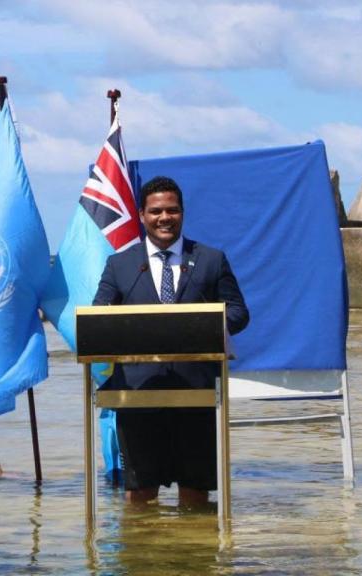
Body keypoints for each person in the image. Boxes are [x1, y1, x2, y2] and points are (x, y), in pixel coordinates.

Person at [93, 175, 249, 505]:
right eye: (156, 211)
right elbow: (99, 315)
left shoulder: (210, 259)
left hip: (197, 391)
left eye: (172, 210)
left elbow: (238, 312)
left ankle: (191, 555)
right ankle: (142, 556)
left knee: (195, 493)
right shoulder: (120, 265)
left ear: (182, 213)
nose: (165, 217)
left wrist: (203, 329)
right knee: (139, 494)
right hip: (136, 393)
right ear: (142, 215)